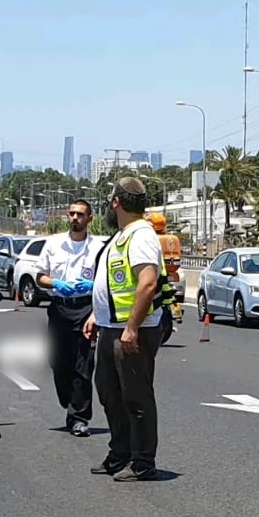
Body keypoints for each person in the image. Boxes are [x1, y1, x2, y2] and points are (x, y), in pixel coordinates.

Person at [83, 177, 164, 481]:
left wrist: (131, 327)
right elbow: (117, 285)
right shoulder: (122, 235)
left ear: (116, 202)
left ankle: (143, 461)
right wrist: (96, 314)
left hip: (133, 330)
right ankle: (120, 453)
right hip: (110, 326)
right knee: (109, 392)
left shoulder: (141, 235)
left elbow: (147, 283)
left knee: (136, 397)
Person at [36, 199, 102, 436]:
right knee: (59, 362)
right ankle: (68, 399)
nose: (75, 218)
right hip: (60, 308)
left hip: (85, 308)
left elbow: (105, 282)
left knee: (83, 365)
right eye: (72, 214)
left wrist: (93, 285)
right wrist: (56, 283)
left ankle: (79, 417)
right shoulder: (54, 244)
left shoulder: (98, 248)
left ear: (90, 219)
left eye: (81, 214)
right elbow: (40, 277)